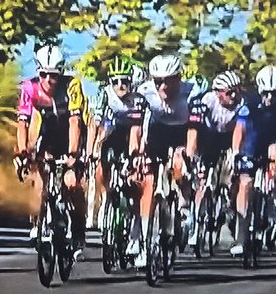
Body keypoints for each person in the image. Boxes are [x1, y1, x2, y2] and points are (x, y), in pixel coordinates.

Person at [14, 45, 89, 260]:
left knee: (72, 183)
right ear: (38, 72)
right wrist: (22, 153)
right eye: (44, 74)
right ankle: (38, 222)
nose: (49, 80)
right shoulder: (29, 87)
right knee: (39, 177)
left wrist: (73, 155)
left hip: (71, 134)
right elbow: (23, 122)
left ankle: (78, 232)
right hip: (48, 134)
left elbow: (75, 122)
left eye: (54, 75)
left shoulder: (72, 85)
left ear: (61, 73)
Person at [127, 53, 200, 266]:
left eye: (169, 81)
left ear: (179, 78)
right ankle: (143, 239)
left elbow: (193, 132)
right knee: (146, 181)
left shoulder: (193, 92)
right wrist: (135, 156)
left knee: (179, 164)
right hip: (157, 134)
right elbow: (136, 130)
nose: (163, 87)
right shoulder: (143, 92)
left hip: (182, 133)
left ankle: (184, 209)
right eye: (158, 81)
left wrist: (188, 157)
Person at [229, 65, 276, 257]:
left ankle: (275, 202)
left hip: (273, 140)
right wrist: (235, 151)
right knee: (245, 183)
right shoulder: (249, 100)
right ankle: (241, 236)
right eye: (266, 93)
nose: (270, 98)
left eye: (275, 94)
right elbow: (240, 129)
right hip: (252, 141)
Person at [185, 70, 245, 248]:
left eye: (236, 91)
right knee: (202, 181)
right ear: (218, 93)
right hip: (208, 138)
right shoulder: (206, 101)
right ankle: (196, 223)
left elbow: (239, 131)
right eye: (229, 92)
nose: (234, 96)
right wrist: (192, 156)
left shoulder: (242, 104)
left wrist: (235, 153)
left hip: (229, 138)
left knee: (233, 173)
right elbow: (194, 130)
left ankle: (230, 203)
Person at [86, 55, 140, 237]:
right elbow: (94, 124)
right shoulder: (105, 94)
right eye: (115, 81)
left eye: (124, 81)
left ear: (131, 81)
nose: (120, 86)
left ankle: (132, 210)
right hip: (110, 134)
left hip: (130, 135)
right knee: (101, 167)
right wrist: (91, 150)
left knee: (133, 174)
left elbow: (140, 130)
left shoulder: (137, 98)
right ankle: (105, 197)